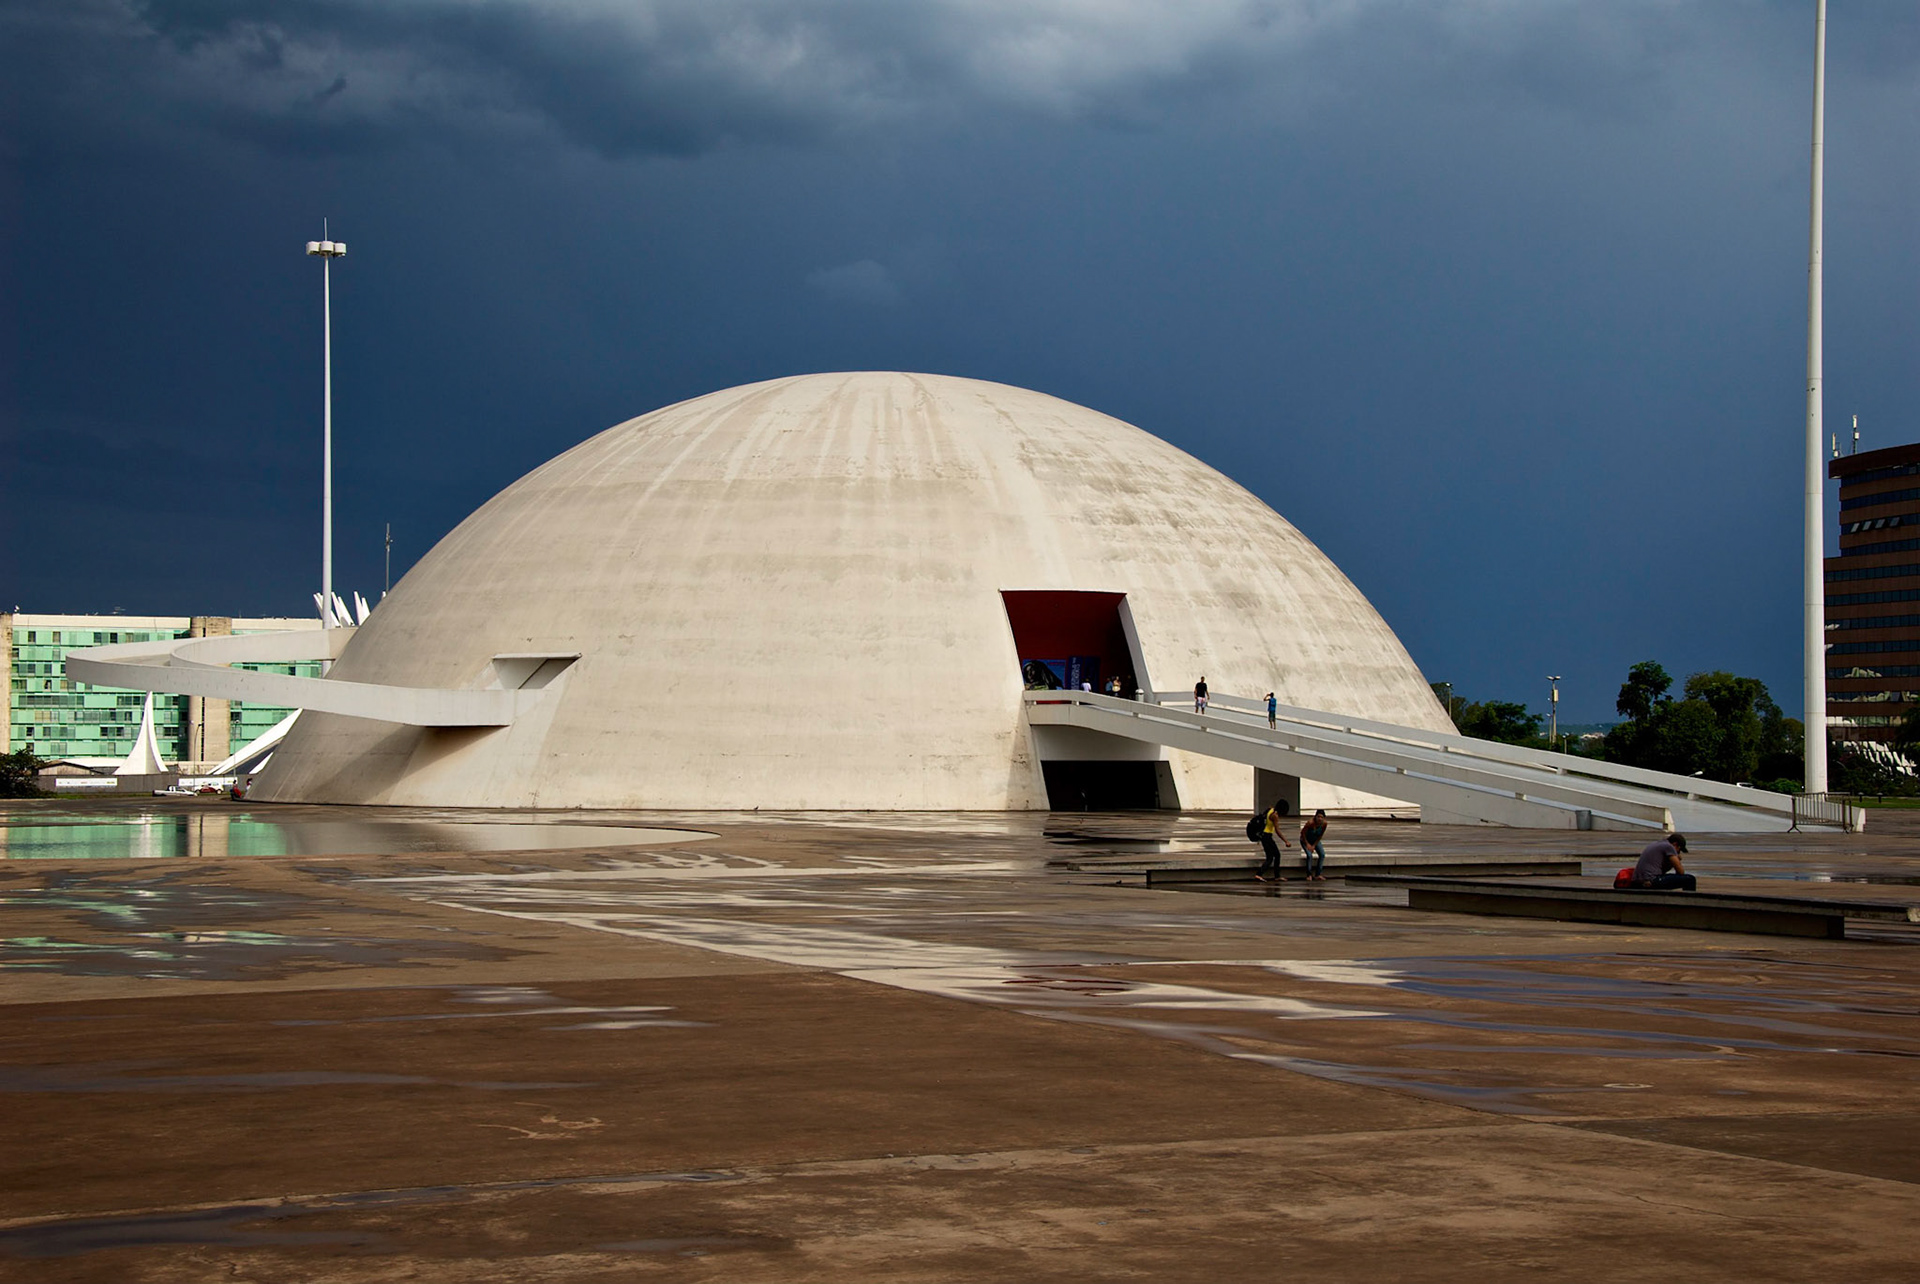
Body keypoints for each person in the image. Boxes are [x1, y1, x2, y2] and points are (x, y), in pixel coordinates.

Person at [1631, 833, 1696, 891]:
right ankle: (1690, 900)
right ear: (1675, 844)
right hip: (1651, 881)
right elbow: (1680, 872)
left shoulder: (1657, 844)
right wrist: (1677, 859)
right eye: (1679, 850)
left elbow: (1662, 871)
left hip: (1638, 882)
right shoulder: (1669, 847)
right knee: (1690, 879)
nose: (1678, 853)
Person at [1255, 800, 1293, 881]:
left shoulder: (1270, 809)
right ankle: (1260, 874)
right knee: (1273, 856)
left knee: (1273, 856)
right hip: (1267, 836)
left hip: (1264, 835)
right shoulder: (1275, 816)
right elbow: (1277, 830)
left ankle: (1274, 875)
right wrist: (1286, 841)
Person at [1299, 809, 1329, 881]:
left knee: (1322, 854)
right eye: (1318, 817)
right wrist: (1307, 844)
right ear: (1315, 816)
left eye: (1321, 817)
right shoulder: (1310, 823)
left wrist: (1314, 845)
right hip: (1305, 840)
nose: (1319, 819)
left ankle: (1318, 874)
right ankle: (1309, 874)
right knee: (1309, 855)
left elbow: (1320, 835)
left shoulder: (1324, 824)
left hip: (1315, 840)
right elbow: (1302, 833)